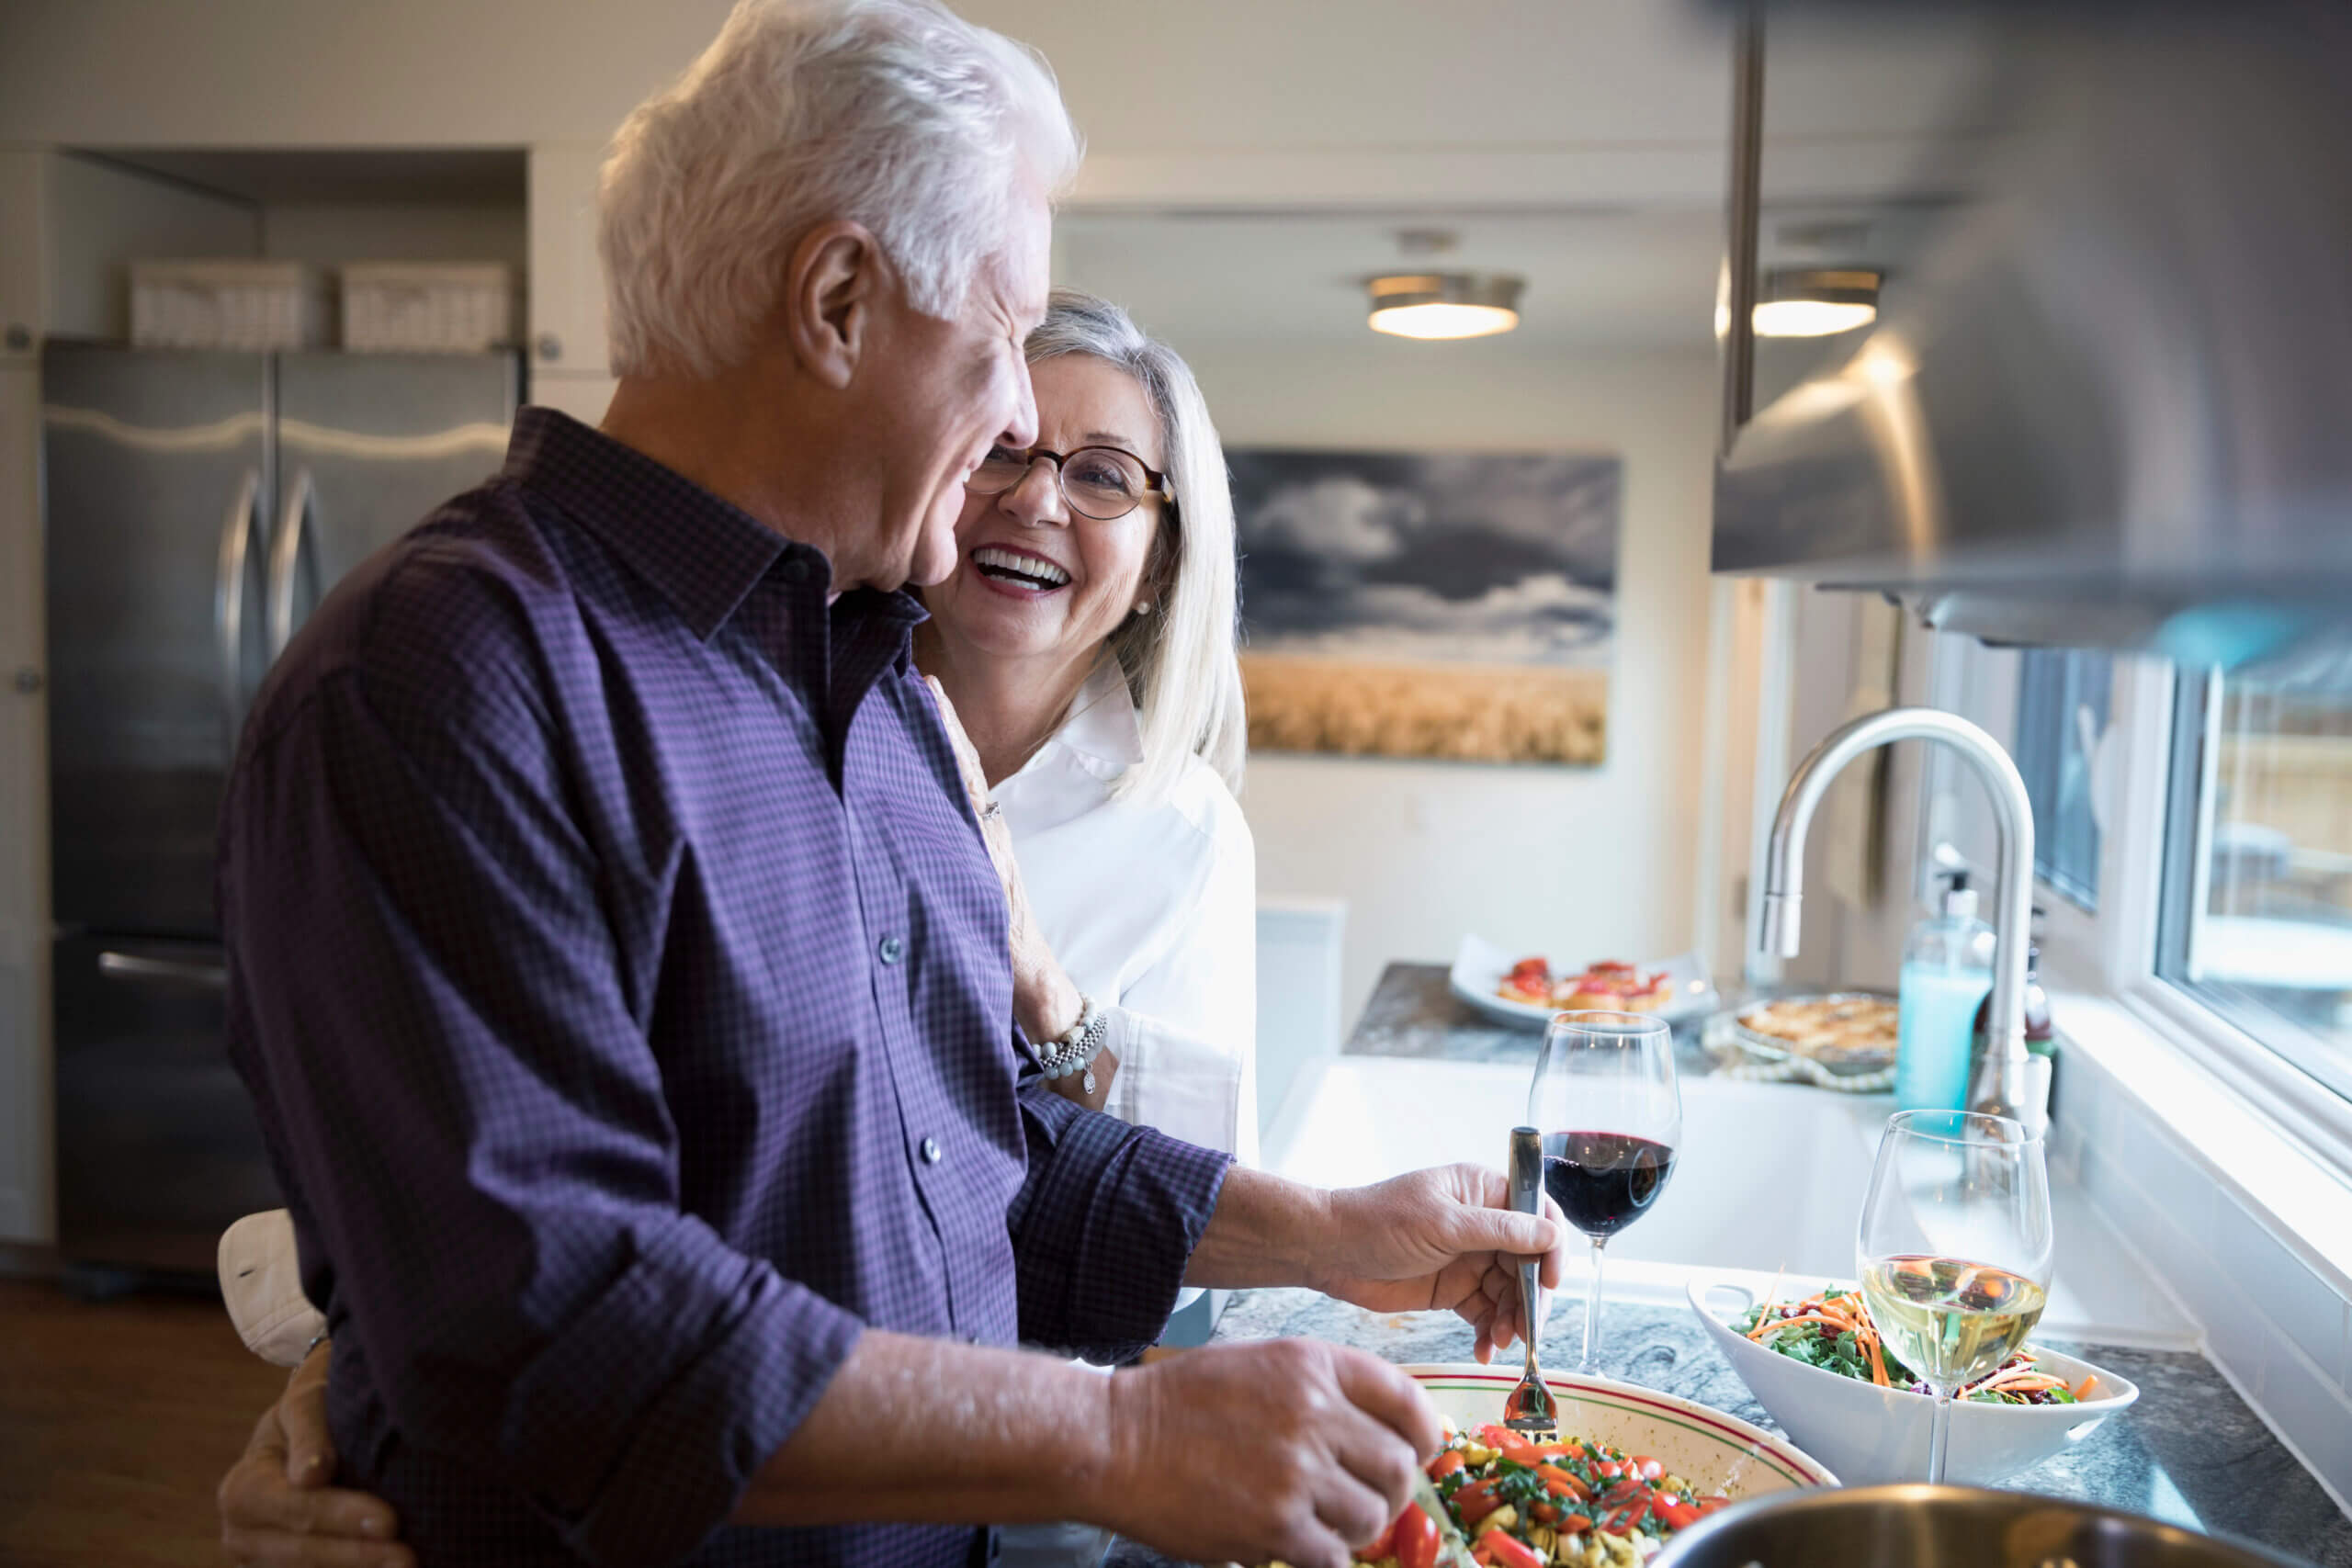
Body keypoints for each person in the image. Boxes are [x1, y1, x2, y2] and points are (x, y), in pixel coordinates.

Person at [214, 4, 1564, 1567]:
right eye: (1003, 338)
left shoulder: (873, 687)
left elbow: (957, 1149)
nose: (1014, 425)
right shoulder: (444, 679)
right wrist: (1119, 1436)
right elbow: (548, 1326)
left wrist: (1324, 1237)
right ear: (840, 299)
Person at [218, 287, 1260, 1565]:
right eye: (1005, 442)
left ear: (1161, 556)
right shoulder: (691, 698)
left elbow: (1110, 1221)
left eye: (1102, 475)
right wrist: (351, 1373)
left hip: (1018, 1513)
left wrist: (1040, 989)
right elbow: (500, 1191)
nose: (1037, 495)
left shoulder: (1179, 830)